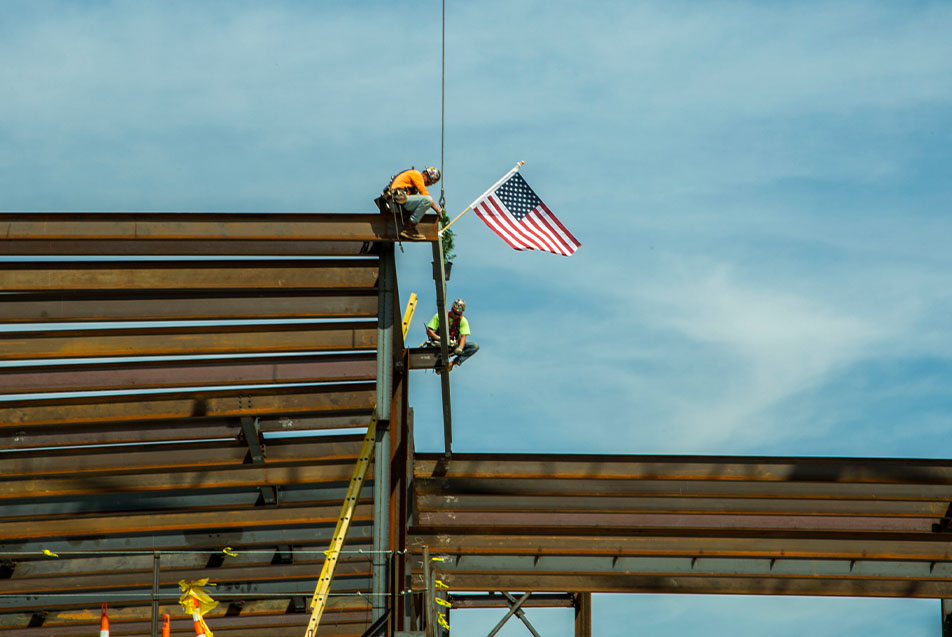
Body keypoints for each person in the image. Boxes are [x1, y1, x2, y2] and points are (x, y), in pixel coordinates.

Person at [379, 166, 442, 240]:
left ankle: (409, 225)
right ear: (425, 174)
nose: (427, 185)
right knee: (427, 200)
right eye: (428, 182)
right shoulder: (416, 174)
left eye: (430, 184)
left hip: (396, 202)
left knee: (424, 207)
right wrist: (438, 210)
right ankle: (409, 228)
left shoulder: (412, 185)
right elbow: (425, 194)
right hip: (396, 201)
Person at [424, 298, 479, 373]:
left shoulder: (463, 321)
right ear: (452, 309)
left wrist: (460, 348)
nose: (456, 316)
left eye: (459, 314)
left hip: (451, 346)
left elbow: (463, 336)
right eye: (455, 313)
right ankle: (439, 367)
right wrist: (439, 338)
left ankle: (453, 363)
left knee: (474, 346)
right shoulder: (440, 316)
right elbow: (429, 331)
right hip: (437, 345)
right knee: (433, 354)